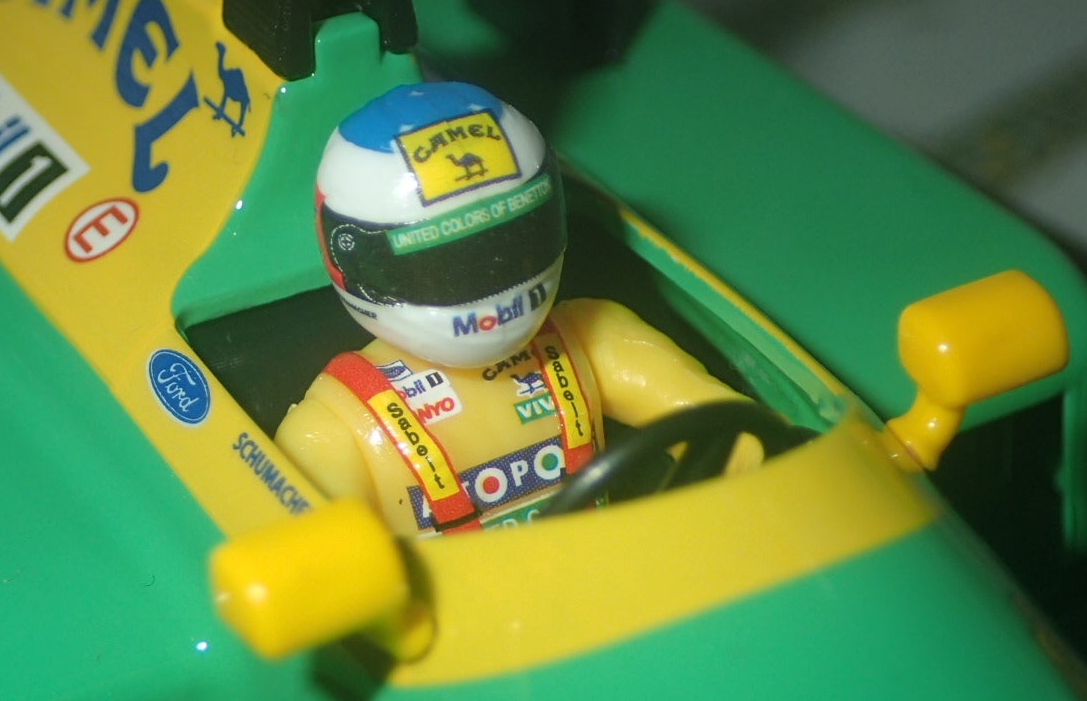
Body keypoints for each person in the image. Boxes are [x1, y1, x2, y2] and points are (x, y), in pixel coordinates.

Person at [276, 81, 750, 537]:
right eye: (448, 264)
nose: (492, 274)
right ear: (354, 263)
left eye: (512, 242)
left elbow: (735, 435)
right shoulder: (332, 431)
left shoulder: (596, 338)